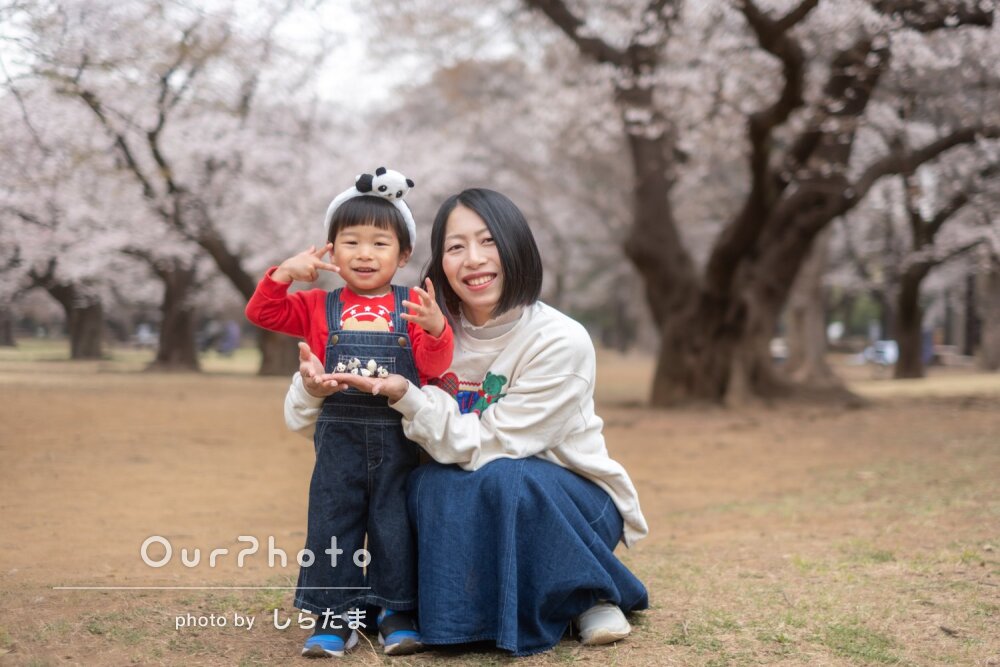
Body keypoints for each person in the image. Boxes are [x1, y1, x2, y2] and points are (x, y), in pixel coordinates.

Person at [285, 188, 648, 657]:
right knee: (428, 485)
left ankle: (588, 592)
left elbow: (497, 443)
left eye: (489, 241)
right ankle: (426, 611)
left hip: (568, 502)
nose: (473, 260)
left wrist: (409, 398)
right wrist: (312, 388)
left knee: (504, 477)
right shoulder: (425, 326)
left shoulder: (559, 339)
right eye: (456, 247)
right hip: (471, 497)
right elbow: (312, 421)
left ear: (517, 246)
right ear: (440, 261)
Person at [245, 168, 454, 658]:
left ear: (403, 255)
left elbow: (432, 364)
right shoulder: (319, 305)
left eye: (380, 244)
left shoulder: (412, 306)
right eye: (351, 241)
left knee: (393, 523)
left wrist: (437, 327)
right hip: (338, 437)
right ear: (331, 250)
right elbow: (263, 314)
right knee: (332, 521)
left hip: (399, 438)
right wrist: (282, 275)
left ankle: (394, 609)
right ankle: (332, 613)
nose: (364, 254)